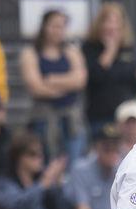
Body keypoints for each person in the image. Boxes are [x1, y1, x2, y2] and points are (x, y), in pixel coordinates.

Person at [20, 10, 87, 163]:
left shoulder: (71, 51)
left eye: (61, 26)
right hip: (43, 120)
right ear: (44, 27)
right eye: (54, 26)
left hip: (71, 121)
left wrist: (51, 80)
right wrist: (67, 85)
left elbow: (80, 80)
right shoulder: (30, 53)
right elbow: (35, 87)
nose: (57, 30)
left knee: (75, 162)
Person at [82, 2, 136, 136]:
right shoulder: (90, 48)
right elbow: (95, 76)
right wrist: (110, 50)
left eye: (116, 22)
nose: (112, 27)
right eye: (108, 21)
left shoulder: (129, 49)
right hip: (100, 114)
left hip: (127, 115)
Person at [0, 130, 68, 209]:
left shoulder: (41, 182)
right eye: (33, 154)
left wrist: (57, 185)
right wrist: (42, 185)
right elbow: (17, 208)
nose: (39, 158)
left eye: (41, 153)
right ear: (18, 157)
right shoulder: (3, 183)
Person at [65, 124, 123, 209]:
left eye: (115, 146)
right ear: (96, 147)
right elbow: (82, 208)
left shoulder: (124, 169)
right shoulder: (81, 170)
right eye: (107, 147)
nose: (111, 151)